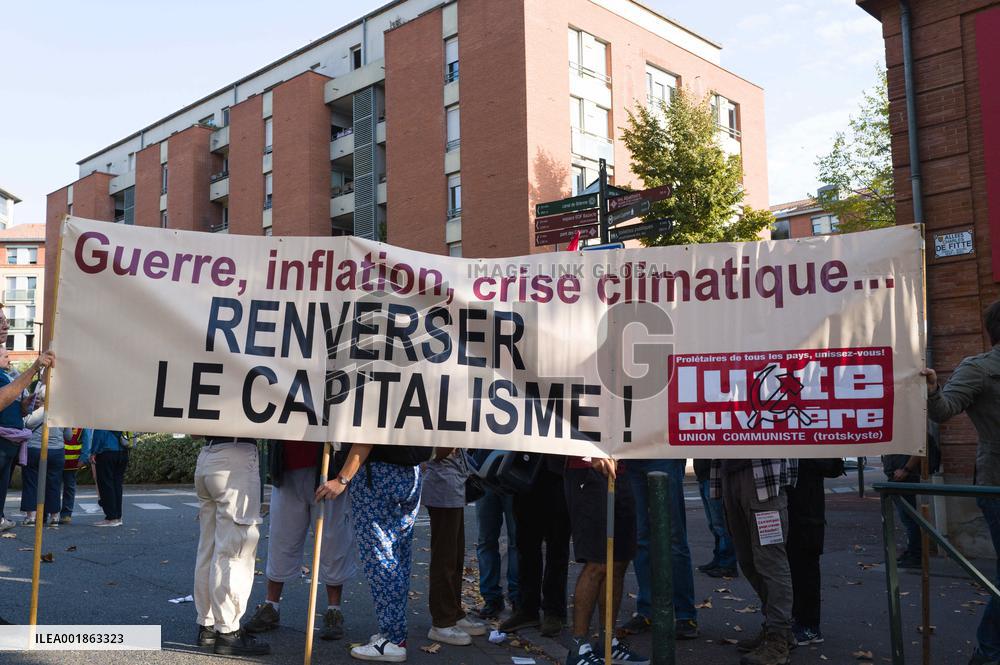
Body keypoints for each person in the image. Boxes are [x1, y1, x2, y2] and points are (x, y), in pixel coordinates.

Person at [923, 300, 1000, 665]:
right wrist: (933, 387)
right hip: (997, 483)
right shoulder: (981, 369)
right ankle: (987, 653)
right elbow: (944, 410)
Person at [315, 442, 427, 662]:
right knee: (397, 556)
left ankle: (393, 638)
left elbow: (367, 433)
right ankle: (393, 633)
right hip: (409, 470)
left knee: (381, 558)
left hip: (377, 474)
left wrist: (342, 479)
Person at [245, 440, 358, 641]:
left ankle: (334, 610)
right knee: (281, 538)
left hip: (328, 469)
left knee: (332, 541)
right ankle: (271, 605)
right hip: (287, 467)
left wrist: (343, 477)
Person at [710, 458, 797, 665]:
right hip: (731, 472)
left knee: (771, 563)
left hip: (763, 476)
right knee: (747, 560)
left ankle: (778, 638)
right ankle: (778, 629)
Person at [564, 457, 647, 665]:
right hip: (586, 470)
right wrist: (589, 454)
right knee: (597, 563)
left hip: (620, 469)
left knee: (619, 561)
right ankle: (578, 647)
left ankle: (607, 642)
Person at [193, 435, 270, 656]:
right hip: (236, 455)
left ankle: (207, 625)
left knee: (208, 548)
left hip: (207, 455)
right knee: (234, 550)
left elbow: (193, 432)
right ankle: (228, 630)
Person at [622, 458, 698, 639]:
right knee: (640, 539)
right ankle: (648, 611)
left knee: (674, 538)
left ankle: (685, 614)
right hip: (633, 455)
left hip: (664, 453)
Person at [421, 447, 487, 645]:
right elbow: (437, 452)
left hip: (454, 486)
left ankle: (454, 613)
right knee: (445, 557)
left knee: (455, 556)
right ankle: (442, 621)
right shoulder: (446, 421)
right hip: (443, 487)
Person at [500, 455, 570, 637]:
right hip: (525, 470)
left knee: (557, 547)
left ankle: (554, 611)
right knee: (526, 546)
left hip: (558, 473)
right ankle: (528, 609)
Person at [787, 458, 842, 647]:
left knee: (806, 571)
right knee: (792, 569)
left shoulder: (812, 449)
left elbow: (832, 467)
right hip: (796, 511)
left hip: (807, 514)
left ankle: (809, 625)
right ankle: (798, 620)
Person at [0, 350, 55, 532]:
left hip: (10, 442)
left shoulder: (7, 377)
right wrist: (34, 368)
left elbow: (16, 409)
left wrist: (24, 406)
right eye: (4, 355)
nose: (9, 358)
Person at [20, 387, 63, 526]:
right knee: (54, 483)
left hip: (34, 449)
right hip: (57, 451)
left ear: (40, 398)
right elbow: (68, 435)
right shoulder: (62, 414)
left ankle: (31, 516)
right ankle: (55, 517)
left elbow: (25, 424)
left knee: (31, 482)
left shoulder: (35, 413)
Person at [475, 485, 519, 619]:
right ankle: (492, 598)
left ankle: (516, 597)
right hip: (486, 478)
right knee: (486, 541)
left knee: (516, 541)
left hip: (512, 478)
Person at [693, 459, 738, 579]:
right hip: (705, 477)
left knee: (721, 524)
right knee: (714, 525)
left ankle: (727, 564)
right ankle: (719, 559)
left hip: (713, 477)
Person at [880, 452, 922, 569]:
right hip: (897, 478)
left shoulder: (908, 434)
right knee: (907, 519)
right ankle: (912, 552)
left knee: (909, 520)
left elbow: (918, 450)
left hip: (904, 479)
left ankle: (915, 556)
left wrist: (906, 470)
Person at [89, 430, 129, 527]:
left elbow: (99, 434)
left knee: (106, 484)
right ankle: (118, 517)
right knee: (117, 485)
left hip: (107, 451)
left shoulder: (104, 416)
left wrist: (93, 452)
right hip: (123, 451)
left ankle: (111, 517)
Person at [59, 427, 92, 524]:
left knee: (68, 487)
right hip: (58, 460)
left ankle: (66, 514)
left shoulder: (82, 424)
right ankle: (53, 513)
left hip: (72, 463)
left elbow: (87, 441)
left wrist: (83, 458)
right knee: (54, 488)